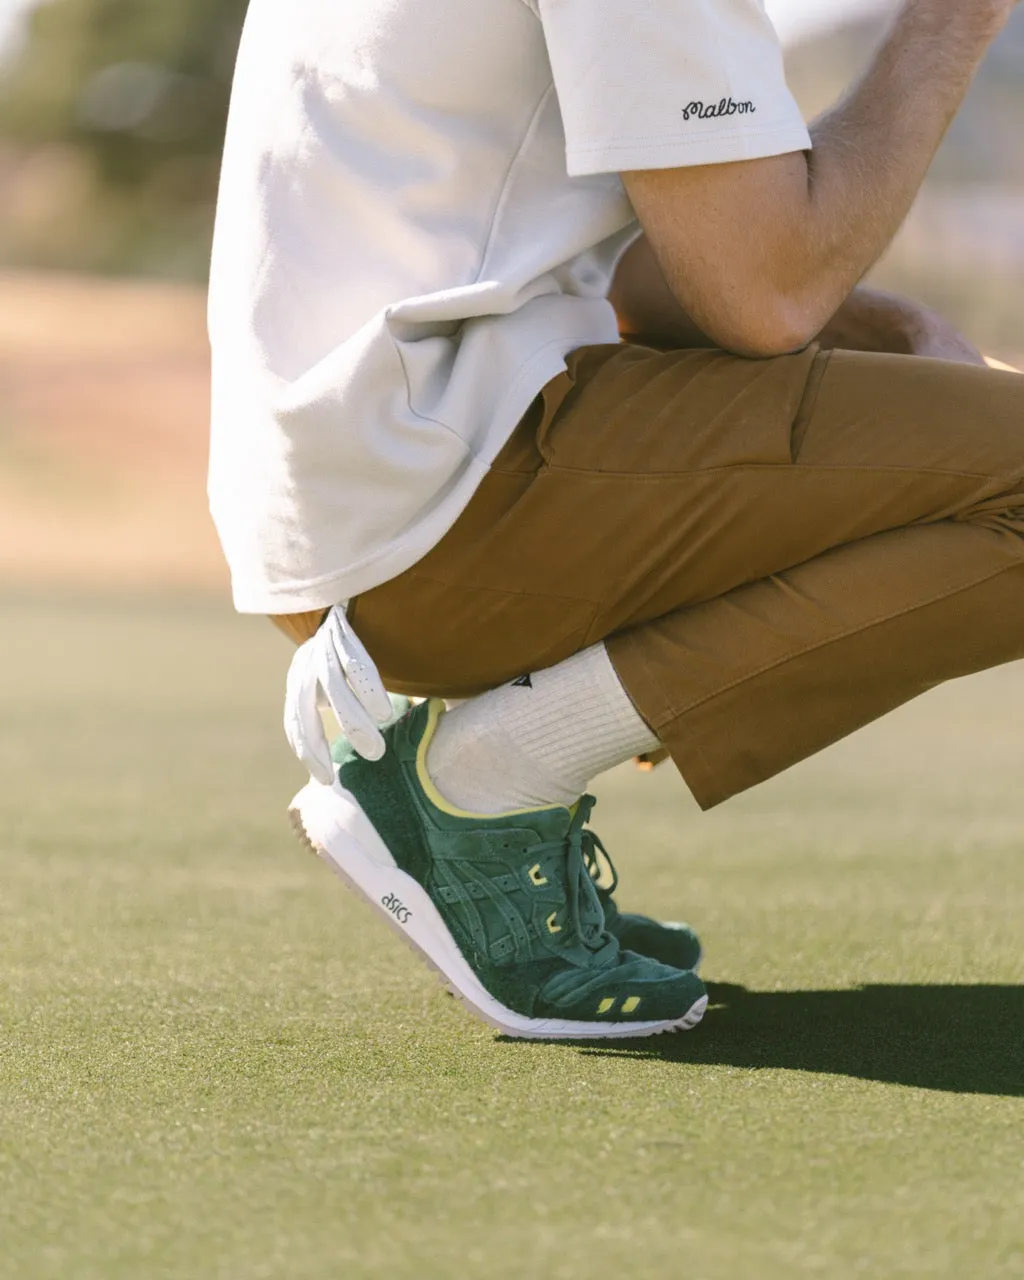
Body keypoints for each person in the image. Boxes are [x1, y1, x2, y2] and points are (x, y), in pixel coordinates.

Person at [208, 0, 1023, 1040]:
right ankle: (492, 778)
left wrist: (902, 331)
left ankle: (498, 773)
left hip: (371, 500)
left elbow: (645, 259)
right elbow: (762, 291)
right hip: (452, 508)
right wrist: (946, 27)